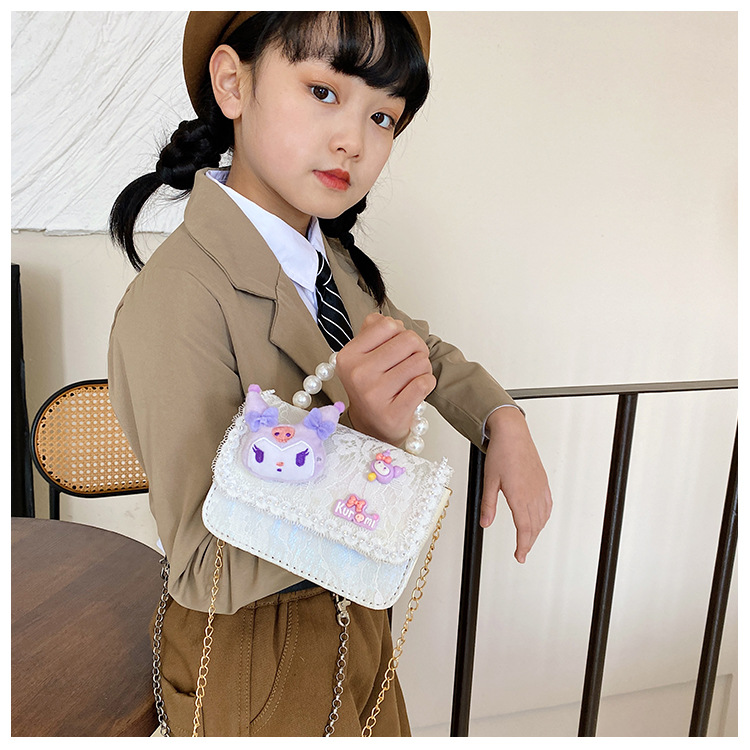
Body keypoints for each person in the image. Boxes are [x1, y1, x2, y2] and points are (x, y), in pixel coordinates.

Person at [107, 11, 552, 737]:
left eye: (383, 116)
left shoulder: (332, 261)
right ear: (233, 83)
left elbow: (421, 350)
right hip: (256, 662)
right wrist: (360, 440)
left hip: (354, 627)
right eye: (323, 92)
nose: (355, 140)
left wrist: (503, 419)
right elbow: (203, 568)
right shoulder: (177, 298)